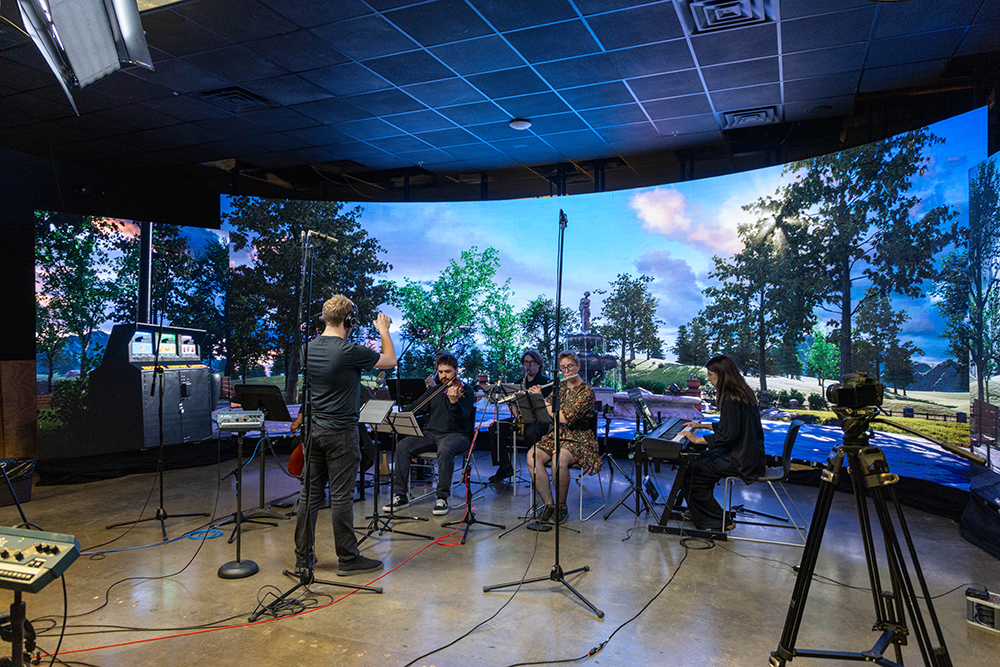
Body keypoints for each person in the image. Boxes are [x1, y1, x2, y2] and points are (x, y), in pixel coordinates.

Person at [290, 295, 396, 580]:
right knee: (341, 498)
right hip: (341, 434)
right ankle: (348, 559)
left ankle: (303, 560)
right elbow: (389, 360)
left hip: (313, 433)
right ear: (349, 321)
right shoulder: (349, 351)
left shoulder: (306, 349)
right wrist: (384, 330)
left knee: (309, 496)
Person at [678, 354, 765, 532]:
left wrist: (696, 439)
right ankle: (700, 512)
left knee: (691, 473)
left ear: (721, 374)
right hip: (748, 455)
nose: (708, 379)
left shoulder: (730, 397)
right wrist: (700, 425)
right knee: (697, 462)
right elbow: (731, 426)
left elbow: (728, 435)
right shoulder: (741, 392)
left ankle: (720, 520)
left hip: (740, 460)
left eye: (711, 374)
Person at [383, 353, 475, 516]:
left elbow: (463, 417)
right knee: (403, 446)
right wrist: (395, 415)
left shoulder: (466, 391)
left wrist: (454, 402)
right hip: (432, 433)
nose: (443, 376)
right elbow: (416, 406)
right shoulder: (435, 390)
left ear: (456, 370)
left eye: (447, 371)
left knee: (446, 448)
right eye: (440, 372)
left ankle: (442, 498)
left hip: (457, 435)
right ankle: (400, 495)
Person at [526, 351, 601, 525]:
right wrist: (538, 399)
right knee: (532, 456)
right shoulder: (558, 389)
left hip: (579, 438)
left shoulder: (586, 391)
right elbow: (546, 412)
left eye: (569, 367)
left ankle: (561, 507)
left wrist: (542, 400)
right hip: (558, 435)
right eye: (563, 368)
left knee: (559, 459)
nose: (566, 372)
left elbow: (565, 418)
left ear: (578, 367)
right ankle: (549, 505)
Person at [486, 350, 552, 483]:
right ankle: (504, 466)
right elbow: (512, 405)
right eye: (526, 362)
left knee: (531, 432)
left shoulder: (546, 383)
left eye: (532, 362)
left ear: (539, 364)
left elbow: (548, 407)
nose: (528, 365)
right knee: (496, 427)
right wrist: (515, 413)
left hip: (539, 420)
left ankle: (536, 471)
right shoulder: (518, 383)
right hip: (521, 417)